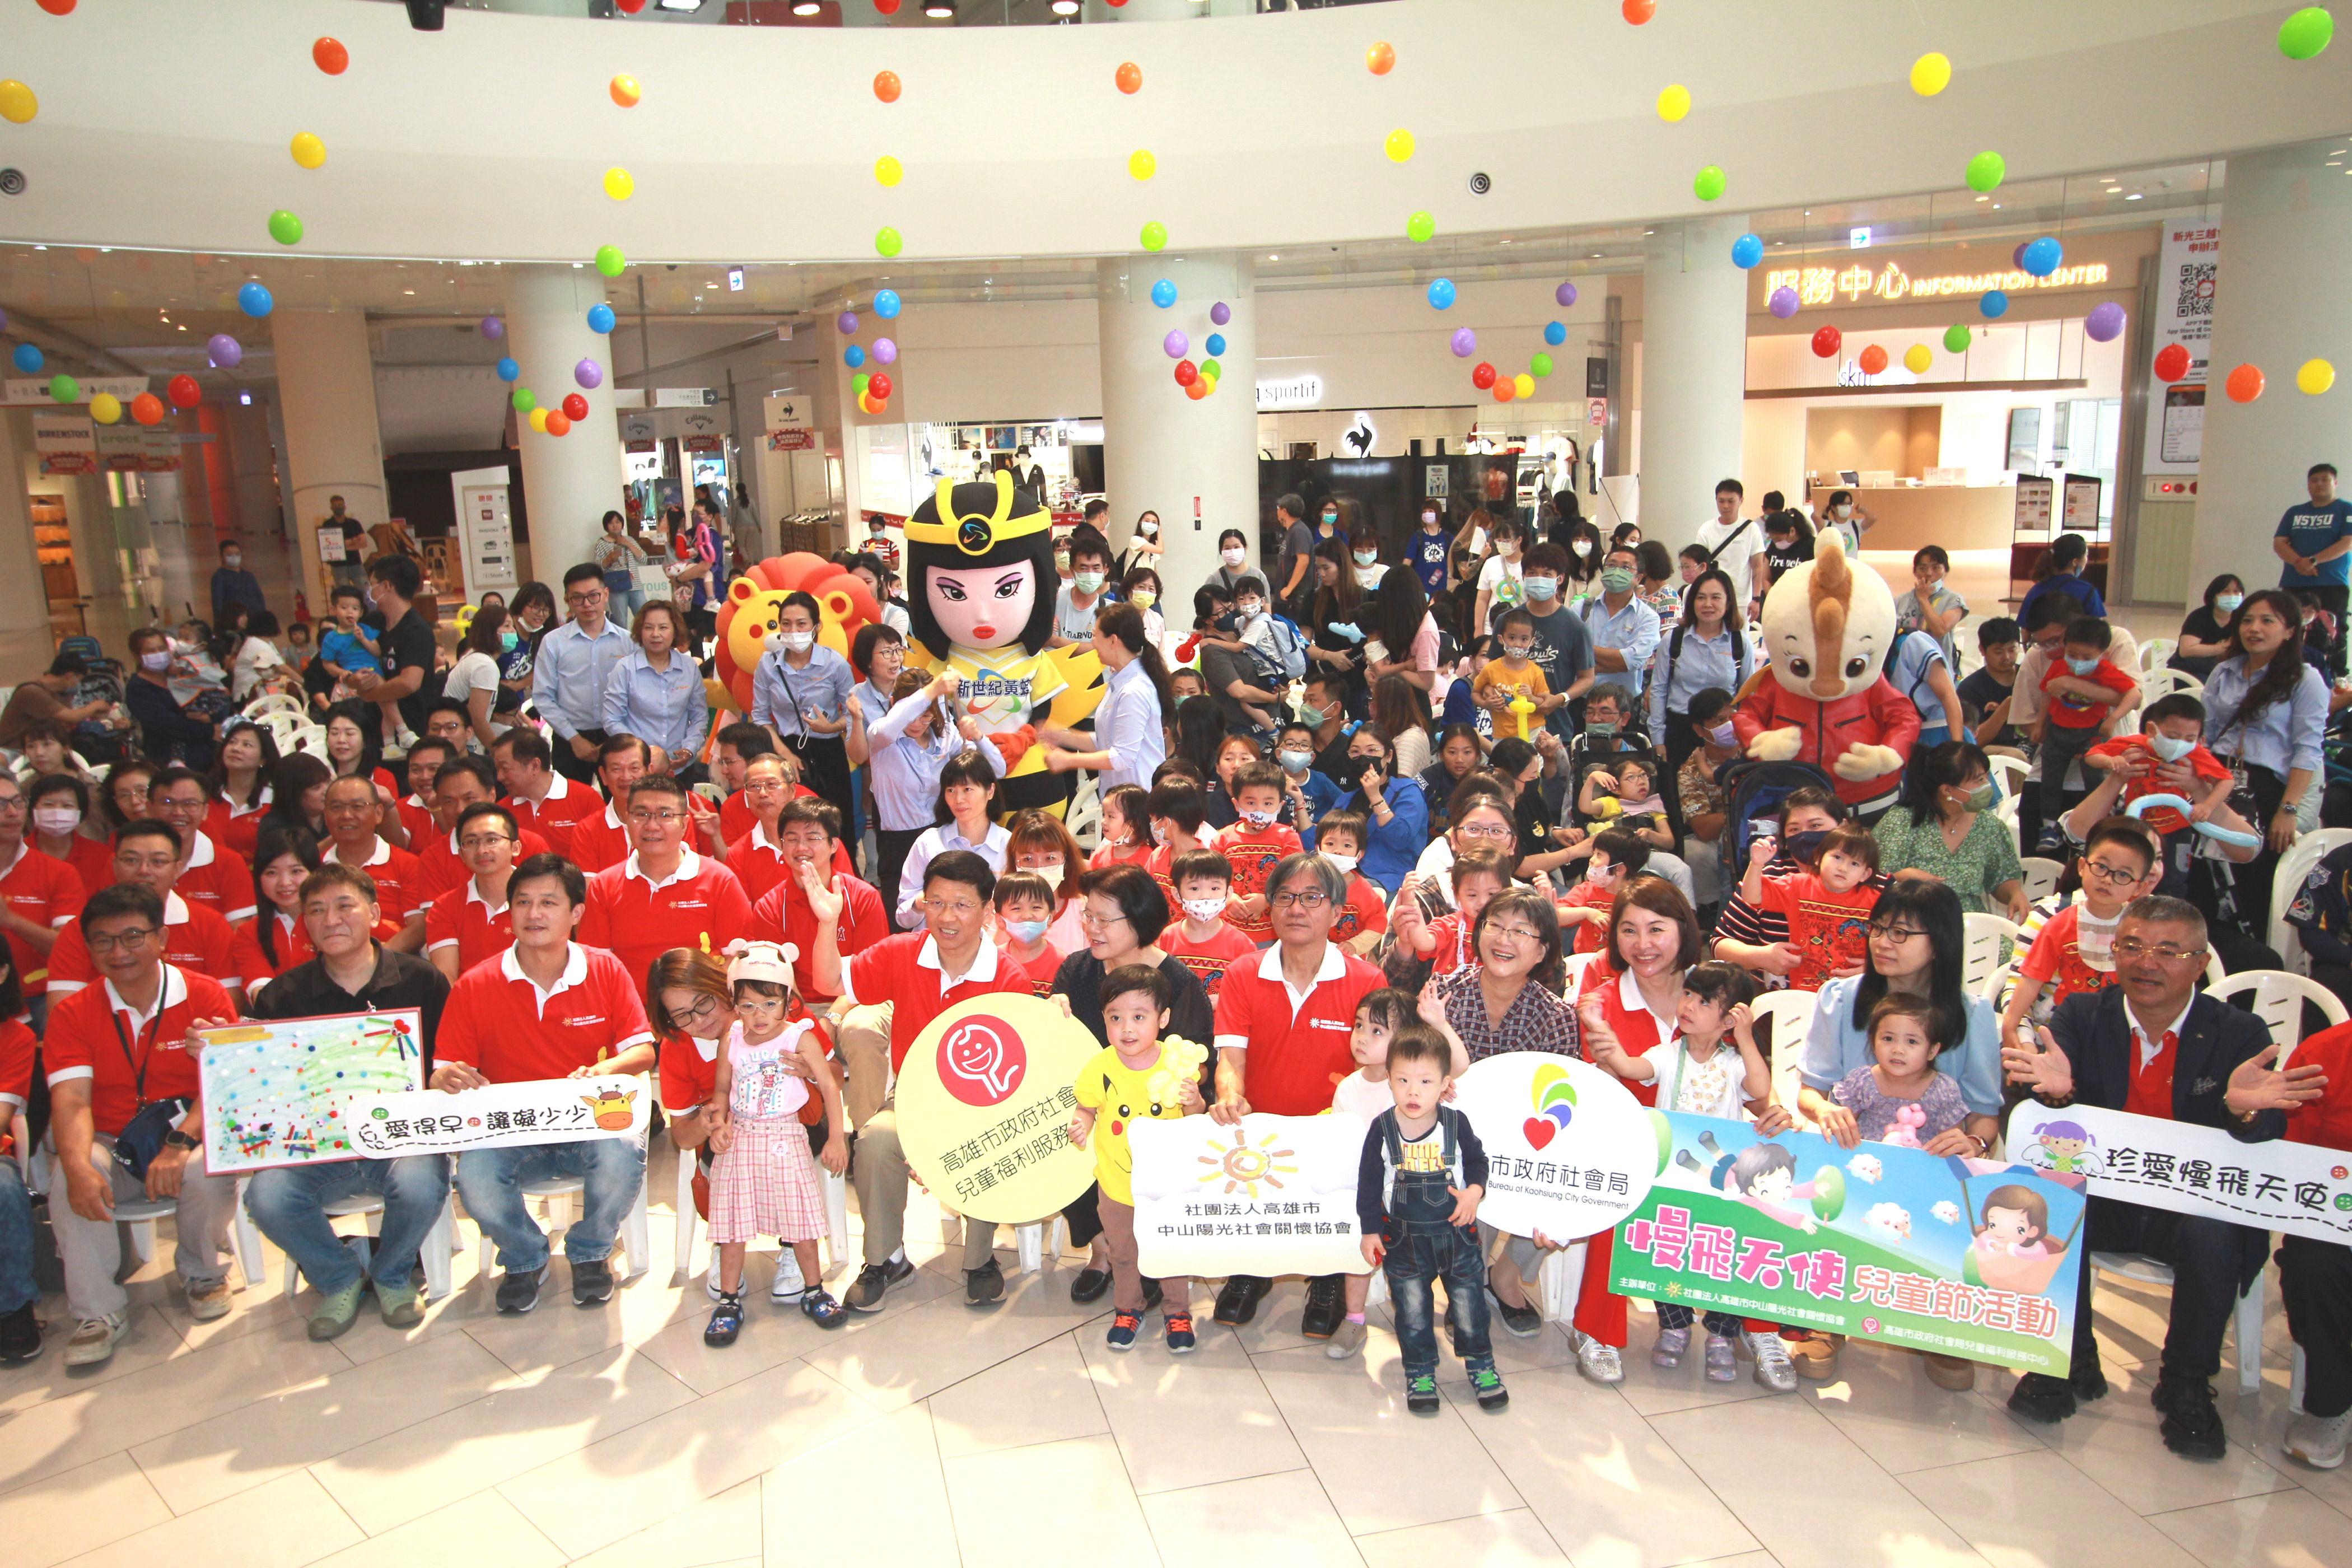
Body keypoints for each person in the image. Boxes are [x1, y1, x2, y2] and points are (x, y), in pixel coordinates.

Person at [2003, 896, 2309, 1457]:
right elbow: (2031, 1121)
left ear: (2199, 962)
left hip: (2188, 1207)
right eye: (2133, 946)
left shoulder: (2238, 1031)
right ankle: (2066, 1359)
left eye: (2169, 951)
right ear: (2113, 953)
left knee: (2215, 1230)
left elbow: (2266, 1136)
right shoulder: (2081, 1015)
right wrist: (2057, 1094)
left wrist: (2243, 1110)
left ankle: (2187, 1382)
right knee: (2044, 1201)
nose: (2148, 962)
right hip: (2106, 1200)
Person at [1795, 879, 2006, 1382]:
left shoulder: (1972, 1015)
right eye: (1878, 929)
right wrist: (1823, 1111)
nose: (1883, 943)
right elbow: (1809, 1090)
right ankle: (1826, 1319)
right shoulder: (1841, 998)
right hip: (1850, 1153)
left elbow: (1985, 1115)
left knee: (1949, 1197)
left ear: (1940, 943)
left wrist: (1973, 1141)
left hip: (1928, 1168)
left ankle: (1935, 1322)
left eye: (1902, 934)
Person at [239, 862, 452, 1338]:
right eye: (316, 910)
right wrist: (226, 1053)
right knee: (267, 1196)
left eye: (344, 906)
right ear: (304, 925)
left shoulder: (424, 982)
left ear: (375, 913)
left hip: (400, 1137)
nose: (331, 920)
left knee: (420, 1182)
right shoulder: (280, 997)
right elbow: (265, 1089)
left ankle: (393, 1273)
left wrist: (445, 1075)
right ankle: (339, 1277)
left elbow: (447, 1059)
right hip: (316, 1147)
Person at [436, 854, 656, 1313]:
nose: (534, 914)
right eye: (523, 902)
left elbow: (644, 1051)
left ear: (576, 914)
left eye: (548, 903)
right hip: (509, 1131)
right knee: (473, 1174)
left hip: (587, 1121)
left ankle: (592, 1252)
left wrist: (605, 1070)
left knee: (621, 1151)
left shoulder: (605, 969)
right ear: (509, 911)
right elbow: (444, 1069)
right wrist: (444, 1076)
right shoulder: (475, 984)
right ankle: (523, 1256)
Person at [40, 883, 243, 1365]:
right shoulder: (73, 1013)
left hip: (187, 1129)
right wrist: (76, 1164)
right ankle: (98, 1312)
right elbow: (70, 1101)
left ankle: (203, 1274)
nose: (119, 952)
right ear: (88, 949)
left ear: (161, 938)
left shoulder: (204, 994)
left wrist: (178, 1142)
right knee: (71, 1173)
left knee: (204, 1168)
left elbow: (222, 1087)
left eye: (133, 936)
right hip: (111, 1138)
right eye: (103, 941)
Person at [820, 850, 1032, 1310]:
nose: (947, 917)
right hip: (913, 1099)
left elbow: (1015, 1077)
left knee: (990, 1139)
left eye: (961, 904)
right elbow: (827, 978)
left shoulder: (1007, 978)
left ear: (987, 911)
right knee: (875, 1138)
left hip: (982, 1107)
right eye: (935, 903)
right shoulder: (902, 952)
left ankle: (980, 1261)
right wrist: (825, 921)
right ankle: (886, 1259)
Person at [1209, 853, 1384, 1337]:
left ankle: (1326, 1276)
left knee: (1339, 1183)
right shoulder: (1244, 972)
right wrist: (1229, 1096)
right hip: (1260, 1127)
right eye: (1285, 897)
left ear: (1337, 911)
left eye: (1312, 898)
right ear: (1269, 909)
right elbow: (1231, 1058)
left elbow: (1380, 1064)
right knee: (1244, 1171)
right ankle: (1251, 1269)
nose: (1297, 909)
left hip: (1333, 1132)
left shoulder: (1366, 980)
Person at [1589, 960, 1779, 1375]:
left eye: (1704, 1001)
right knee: (1669, 1251)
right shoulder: (1669, 1053)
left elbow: (1761, 1089)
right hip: (1671, 1175)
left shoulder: (1732, 1063)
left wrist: (1745, 1037)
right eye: (1688, 994)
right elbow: (1634, 1068)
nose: (1688, 1004)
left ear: (1729, 1019)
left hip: (1722, 1183)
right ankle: (1674, 1327)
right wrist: (1604, 1039)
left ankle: (1721, 1335)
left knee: (1721, 1255)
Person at [1048, 865, 1215, 1304]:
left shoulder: (1178, 985)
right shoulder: (1077, 972)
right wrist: (1051, 1011)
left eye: (1105, 919)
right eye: (1088, 916)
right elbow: (1055, 1051)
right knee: (1070, 1134)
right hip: (1093, 1105)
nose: (1092, 928)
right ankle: (1102, 1250)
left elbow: (1197, 1066)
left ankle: (1152, 1256)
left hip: (1157, 1119)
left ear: (1139, 921)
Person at [699, 940, 848, 1344]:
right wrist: (717, 1123)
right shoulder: (732, 1038)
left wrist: (837, 1137)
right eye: (747, 1006)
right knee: (731, 1224)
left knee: (800, 1222)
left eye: (768, 1005)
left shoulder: (799, 1037)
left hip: (786, 1136)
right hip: (742, 1136)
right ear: (734, 1004)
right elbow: (721, 1090)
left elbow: (831, 1087)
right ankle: (729, 1300)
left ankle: (814, 1289)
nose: (758, 1016)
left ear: (787, 999)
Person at [1356, 1023, 1505, 1415]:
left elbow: (1478, 1163)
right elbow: (1369, 1183)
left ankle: (1480, 1364)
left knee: (1470, 1306)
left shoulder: (1456, 1124)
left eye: (1425, 1081)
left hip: (1457, 1235)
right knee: (1413, 1311)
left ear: (1444, 1084)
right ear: (1388, 1080)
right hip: (1403, 1241)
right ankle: (1420, 1370)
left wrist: (1475, 1192)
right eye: (1403, 1080)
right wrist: (1370, 1230)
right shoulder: (1383, 1129)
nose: (1413, 1091)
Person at [1068, 964, 1206, 1354]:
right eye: (1116, 1018)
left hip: (1168, 1186)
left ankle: (1178, 1311)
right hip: (1116, 1183)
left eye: (1139, 1017)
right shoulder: (1100, 1067)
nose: (1127, 1029)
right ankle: (1128, 1308)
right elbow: (1087, 1108)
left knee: (1170, 1249)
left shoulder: (1177, 1065)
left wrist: (1195, 1102)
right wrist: (1080, 1124)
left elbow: (1196, 1120)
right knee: (1123, 1252)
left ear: (1162, 1019)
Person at [1996, 818, 2161, 1044]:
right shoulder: (2057, 921)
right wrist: (2013, 1030)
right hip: (2057, 1037)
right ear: (2083, 867)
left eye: (2123, 874)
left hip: (2119, 1039)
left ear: (2139, 884)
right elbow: (2027, 980)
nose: (2108, 880)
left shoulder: (2148, 926)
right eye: (2101, 867)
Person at [580, 774, 752, 985]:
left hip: (704, 1007)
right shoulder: (604, 886)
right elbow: (595, 965)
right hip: (633, 1009)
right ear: (627, 818)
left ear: (684, 824)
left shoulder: (720, 880)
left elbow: (739, 959)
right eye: (641, 814)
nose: (652, 825)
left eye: (665, 815)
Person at [1871, 741, 2027, 920]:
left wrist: (2015, 893)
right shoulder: (1901, 823)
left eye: (1986, 777)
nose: (1987, 785)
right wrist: (1902, 878)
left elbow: (2001, 877)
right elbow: (1871, 881)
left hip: (1972, 925)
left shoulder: (1989, 826)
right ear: (1947, 790)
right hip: (1912, 923)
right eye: (1979, 780)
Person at [1042, 601, 1169, 791]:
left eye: (1094, 635)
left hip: (1138, 799)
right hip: (1119, 797)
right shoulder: (1119, 682)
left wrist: (1068, 760)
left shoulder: (1134, 690)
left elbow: (1122, 756)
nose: (1092, 643)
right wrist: (1060, 736)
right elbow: (1107, 741)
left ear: (1113, 641)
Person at [750, 590, 855, 809]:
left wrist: (831, 727)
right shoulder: (768, 665)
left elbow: (854, 713)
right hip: (784, 749)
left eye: (801, 624)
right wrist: (784, 754)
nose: (793, 631)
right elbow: (760, 716)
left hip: (828, 752)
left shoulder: (835, 664)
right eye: (786, 624)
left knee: (835, 819)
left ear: (817, 627)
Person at [533, 565, 636, 785]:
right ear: (567, 600)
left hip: (618, 736)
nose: (587, 604)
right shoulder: (553, 643)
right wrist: (573, 738)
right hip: (569, 738)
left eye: (593, 596)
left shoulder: (628, 641)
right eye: (578, 598)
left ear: (606, 594)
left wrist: (624, 735)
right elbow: (543, 696)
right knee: (572, 809)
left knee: (623, 805)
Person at [1646, 568, 1753, 772]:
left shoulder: (1740, 644)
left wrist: (1743, 738)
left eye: (1716, 598)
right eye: (1701, 598)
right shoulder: (1673, 640)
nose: (1708, 604)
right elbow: (1659, 690)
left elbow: (1747, 698)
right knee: (1677, 796)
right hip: (1679, 730)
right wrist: (1658, 739)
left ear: (1728, 602)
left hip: (1723, 734)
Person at [318, 775, 427, 951]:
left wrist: (374, 961)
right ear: (325, 815)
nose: (346, 815)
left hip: (392, 962)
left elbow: (418, 928)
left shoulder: (408, 864)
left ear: (378, 814)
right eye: (337, 808)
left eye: (357, 807)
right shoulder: (315, 866)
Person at [603, 601, 710, 781]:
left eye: (663, 627)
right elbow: (611, 719)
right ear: (640, 631)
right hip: (638, 768)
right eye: (649, 628)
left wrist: (690, 750)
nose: (656, 634)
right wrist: (642, 751)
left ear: (675, 630)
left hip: (680, 766)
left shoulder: (689, 667)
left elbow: (699, 716)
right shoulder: (625, 668)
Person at [426, 801, 520, 980]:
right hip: (471, 1004)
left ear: (515, 848)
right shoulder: (445, 907)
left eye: (492, 840)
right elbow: (447, 979)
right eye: (471, 842)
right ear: (461, 854)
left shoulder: (540, 900)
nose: (482, 850)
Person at [2276, 462, 2352, 679]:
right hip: (2294, 581)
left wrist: (2314, 560)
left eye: (2325, 480)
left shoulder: (2346, 509)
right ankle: (2288, 670)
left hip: (2331, 583)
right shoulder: (2295, 512)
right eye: (2314, 480)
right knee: (2289, 626)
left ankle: (2335, 675)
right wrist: (2299, 562)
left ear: (2335, 483)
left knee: (2333, 630)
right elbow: (2280, 543)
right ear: (2308, 485)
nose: (2319, 484)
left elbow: (2348, 542)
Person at [351, 554, 436, 747]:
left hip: (412, 728)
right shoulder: (372, 624)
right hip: (373, 727)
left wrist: (370, 694)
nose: (369, 590)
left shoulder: (417, 631)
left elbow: (409, 683)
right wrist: (353, 680)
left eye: (373, 584)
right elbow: (350, 663)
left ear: (387, 586)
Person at [235, 823, 324, 987]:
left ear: (315, 873)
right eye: (272, 873)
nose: (284, 883)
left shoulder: (335, 921)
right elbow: (261, 993)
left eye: (296, 871)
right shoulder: (248, 933)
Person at [1579, 544, 1664, 703]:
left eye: (1626, 567)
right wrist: (1616, 662)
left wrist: (1584, 654)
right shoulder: (1582, 608)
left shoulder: (1648, 617)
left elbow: (1631, 661)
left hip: (1623, 704)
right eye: (1611, 565)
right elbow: (1566, 652)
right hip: (1581, 700)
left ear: (1638, 578)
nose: (1616, 571)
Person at [125, 626, 218, 770]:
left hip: (207, 753)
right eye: (151, 651)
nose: (158, 654)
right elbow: (167, 724)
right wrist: (210, 730)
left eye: (162, 649)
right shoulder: (138, 688)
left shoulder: (181, 675)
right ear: (137, 656)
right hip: (170, 759)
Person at [27, 772, 113, 902]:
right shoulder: (14, 853)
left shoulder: (102, 855)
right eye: (48, 804)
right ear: (32, 809)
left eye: (67, 806)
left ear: (81, 813)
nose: (57, 811)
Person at [1, 651, 110, 751]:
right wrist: (96, 705)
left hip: (41, 748)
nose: (78, 685)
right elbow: (72, 716)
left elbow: (70, 721)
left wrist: (94, 715)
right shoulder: (31, 692)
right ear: (70, 676)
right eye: (79, 680)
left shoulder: (58, 693)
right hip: (14, 750)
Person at [1694, 478, 1767, 624]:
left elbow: (1758, 566)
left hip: (1740, 601)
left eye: (1731, 501)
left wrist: (1756, 599)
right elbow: (1698, 566)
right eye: (1721, 501)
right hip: (1712, 600)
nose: (1726, 506)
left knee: (1739, 644)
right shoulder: (1706, 530)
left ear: (1741, 501)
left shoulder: (1751, 529)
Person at [442, 603, 510, 754]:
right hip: (464, 743)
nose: (513, 631)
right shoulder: (485, 665)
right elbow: (477, 718)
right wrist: (498, 753)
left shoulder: (476, 656)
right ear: (490, 632)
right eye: (507, 626)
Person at [1894, 545, 1968, 668]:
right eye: (1922, 568)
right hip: (1905, 669)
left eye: (1936, 568)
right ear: (1915, 572)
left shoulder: (1954, 600)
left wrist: (1923, 599)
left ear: (1945, 571)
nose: (1929, 574)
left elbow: (1940, 630)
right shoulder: (1901, 601)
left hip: (1938, 670)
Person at [1957, 617, 2024, 750]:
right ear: (1982, 650)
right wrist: (2005, 710)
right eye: (1998, 652)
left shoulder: (2027, 676)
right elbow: (1971, 739)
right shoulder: (1970, 688)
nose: (2006, 657)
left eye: (2012, 650)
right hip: (1992, 754)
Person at [2019, 531, 2107, 630]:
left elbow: (2025, 632)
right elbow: (2098, 630)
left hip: (2042, 644)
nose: (2086, 560)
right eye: (2086, 555)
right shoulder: (2088, 591)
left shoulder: (2036, 590)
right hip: (2075, 644)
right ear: (2075, 562)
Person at [1050, 530, 1113, 649]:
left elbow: (1106, 649)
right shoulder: (1055, 602)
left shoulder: (1111, 612)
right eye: (1083, 568)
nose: (1090, 573)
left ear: (1105, 570)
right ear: (1072, 569)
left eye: (1096, 568)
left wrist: (1057, 642)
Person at [1472, 515, 1528, 636]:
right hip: (1492, 628)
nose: (1502, 544)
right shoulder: (1491, 564)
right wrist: (1478, 629)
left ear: (1519, 540)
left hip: (1522, 628)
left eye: (1507, 541)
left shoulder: (1530, 564)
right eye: (1499, 541)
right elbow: (1482, 599)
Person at [594, 510, 651, 621]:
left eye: (618, 522)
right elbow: (598, 567)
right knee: (620, 620)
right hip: (616, 587)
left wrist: (627, 544)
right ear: (606, 526)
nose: (615, 525)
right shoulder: (601, 543)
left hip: (635, 585)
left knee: (645, 618)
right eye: (611, 523)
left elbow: (644, 559)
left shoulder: (629, 540)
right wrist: (610, 559)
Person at [1271, 493, 1315, 621]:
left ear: (1284, 511)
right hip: (1285, 598)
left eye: (1278, 508)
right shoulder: (1292, 531)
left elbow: (1303, 561)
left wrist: (1290, 588)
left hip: (1294, 599)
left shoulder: (1299, 531)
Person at [228, 610, 287, 702]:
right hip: (249, 696)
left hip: (261, 692)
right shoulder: (256, 644)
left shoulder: (265, 642)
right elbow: (282, 668)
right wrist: (303, 681)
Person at [209, 538, 268, 629]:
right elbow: (217, 603)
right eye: (229, 555)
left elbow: (259, 596)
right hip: (236, 623)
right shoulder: (219, 577)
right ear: (222, 556)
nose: (234, 557)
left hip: (254, 620)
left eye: (237, 554)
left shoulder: (248, 576)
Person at [1816, 487, 1875, 557]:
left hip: (1851, 567)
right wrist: (1825, 508)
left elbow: (1872, 518)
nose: (1847, 507)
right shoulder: (1827, 525)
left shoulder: (1856, 525)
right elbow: (1815, 516)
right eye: (1843, 504)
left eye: (1849, 504)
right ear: (1834, 507)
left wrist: (1862, 510)